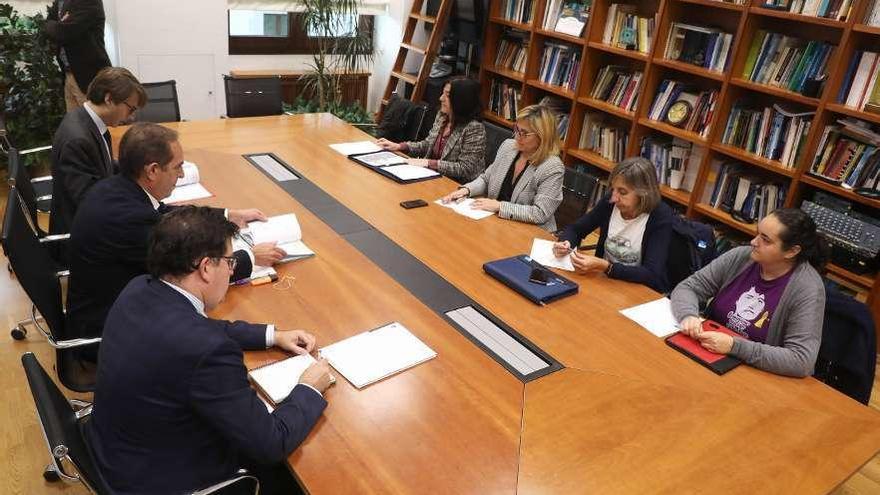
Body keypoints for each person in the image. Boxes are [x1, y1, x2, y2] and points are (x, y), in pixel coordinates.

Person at [86, 206, 334, 495]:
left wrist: (272, 335)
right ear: (205, 267)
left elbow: (197, 328)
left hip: (113, 451)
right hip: (158, 480)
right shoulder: (208, 352)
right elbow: (270, 443)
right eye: (229, 262)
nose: (232, 270)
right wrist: (309, 388)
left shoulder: (140, 288)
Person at [66, 123, 287, 361]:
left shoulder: (118, 188)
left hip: (103, 305)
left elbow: (163, 212)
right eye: (178, 167)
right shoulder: (130, 219)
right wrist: (250, 258)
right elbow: (187, 271)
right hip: (109, 333)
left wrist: (228, 214)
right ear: (152, 171)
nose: (181, 175)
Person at [670, 208, 828, 377]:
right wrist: (689, 315)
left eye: (765, 240)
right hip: (705, 352)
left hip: (752, 373)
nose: (753, 241)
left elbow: (801, 360)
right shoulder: (742, 257)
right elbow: (689, 287)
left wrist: (734, 346)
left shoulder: (807, 289)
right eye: (758, 233)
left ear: (791, 251)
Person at [49, 67, 147, 237]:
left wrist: (139, 170)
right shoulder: (78, 140)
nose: (131, 117)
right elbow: (89, 202)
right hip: (80, 237)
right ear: (109, 98)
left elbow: (104, 166)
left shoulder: (87, 120)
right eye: (130, 109)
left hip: (91, 219)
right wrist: (136, 200)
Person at [553, 157, 673, 292]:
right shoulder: (610, 201)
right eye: (613, 189)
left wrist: (607, 267)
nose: (614, 197)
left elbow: (651, 274)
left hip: (636, 291)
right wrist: (566, 242)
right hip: (603, 282)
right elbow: (576, 229)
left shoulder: (660, 216)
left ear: (644, 193)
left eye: (622, 192)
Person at [441, 104, 564, 231]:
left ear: (542, 136)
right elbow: (486, 178)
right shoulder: (508, 147)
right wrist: (467, 190)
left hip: (528, 232)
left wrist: (499, 206)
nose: (517, 136)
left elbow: (540, 213)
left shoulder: (552, 167)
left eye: (525, 133)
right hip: (495, 223)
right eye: (517, 129)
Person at [376, 77, 486, 184]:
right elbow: (428, 144)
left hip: (458, 186)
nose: (441, 98)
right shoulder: (442, 116)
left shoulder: (474, 128)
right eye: (442, 93)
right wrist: (400, 146)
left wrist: (428, 163)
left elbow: (465, 168)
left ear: (461, 100)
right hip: (433, 178)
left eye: (447, 95)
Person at [46, 0, 112, 111]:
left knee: (93, 124)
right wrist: (59, 24)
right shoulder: (60, 2)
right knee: (75, 125)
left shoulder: (89, 2)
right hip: (69, 74)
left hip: (89, 75)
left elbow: (63, 32)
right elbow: (47, 23)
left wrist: (58, 25)